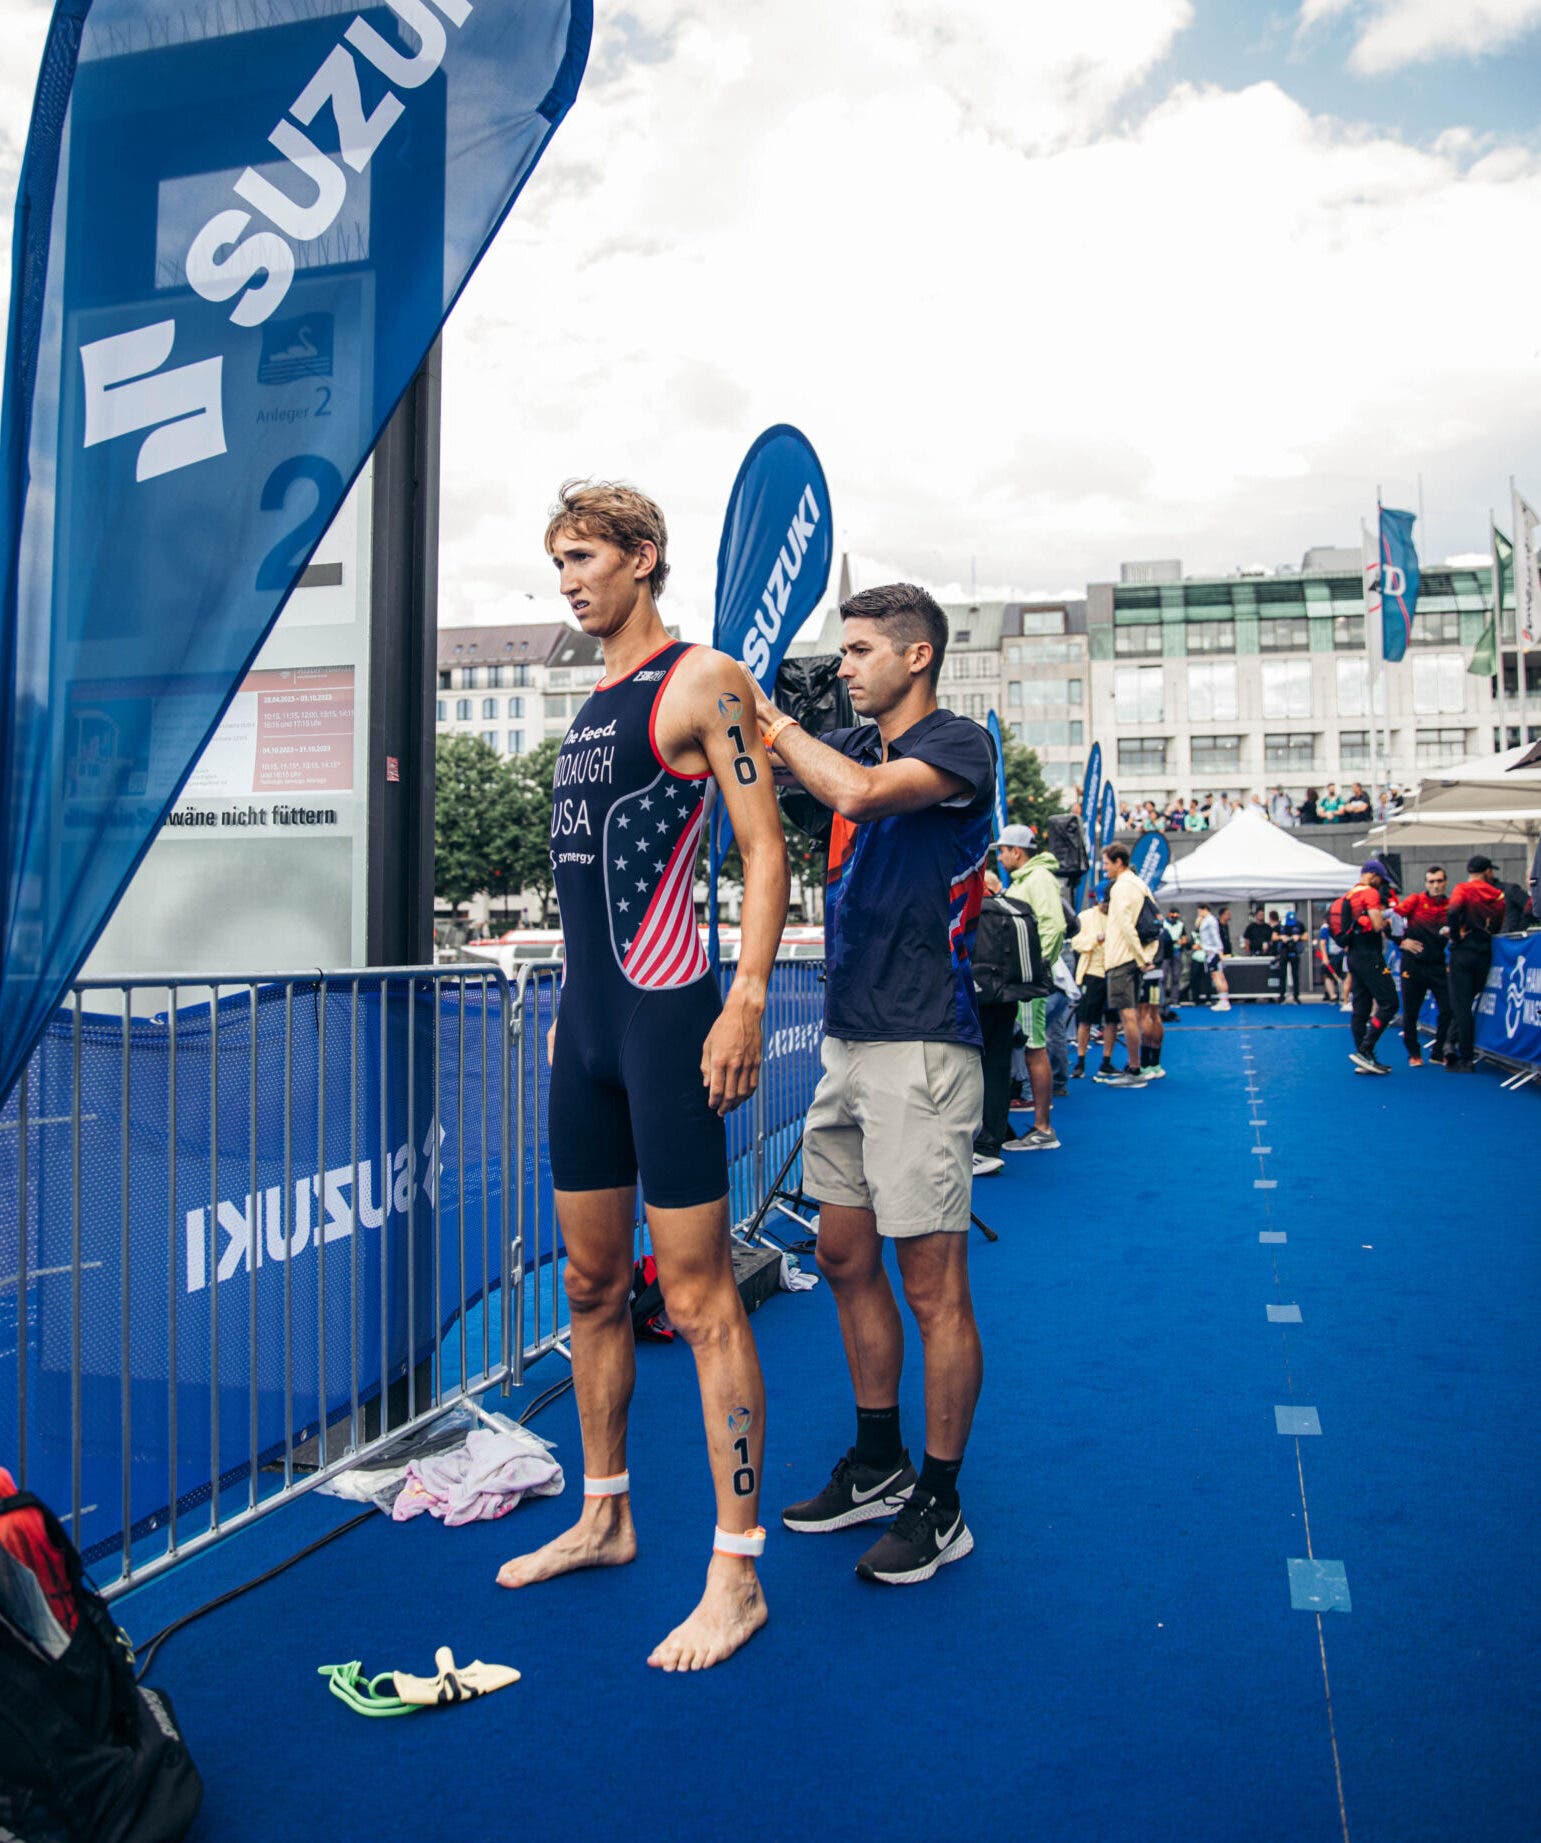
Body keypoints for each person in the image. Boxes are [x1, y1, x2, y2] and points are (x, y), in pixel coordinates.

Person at [500, 480, 789, 1673]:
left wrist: (748, 996)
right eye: (557, 560)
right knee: (586, 1282)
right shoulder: (593, 703)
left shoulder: (702, 680)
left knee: (701, 1292)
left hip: (671, 1022)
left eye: (584, 557)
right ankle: (603, 1510)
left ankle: (735, 1570)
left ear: (644, 558)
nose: (569, 580)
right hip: (584, 1033)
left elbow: (766, 842)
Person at [754, 582, 994, 1584]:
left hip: (923, 1044)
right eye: (839, 651)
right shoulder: (845, 748)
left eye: (857, 651)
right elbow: (766, 794)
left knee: (931, 1283)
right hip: (847, 1042)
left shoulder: (956, 744)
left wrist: (770, 720)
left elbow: (854, 796)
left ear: (915, 657)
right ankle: (878, 1462)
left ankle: (939, 1501)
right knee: (846, 1258)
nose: (842, 667)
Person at [992, 827, 1067, 1150]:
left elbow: (1054, 925)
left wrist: (1034, 968)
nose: (999, 856)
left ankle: (1043, 1128)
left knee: (1035, 1047)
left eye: (1002, 850)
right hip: (1021, 982)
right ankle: (1038, 1125)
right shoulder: (1027, 880)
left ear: (1017, 851)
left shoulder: (1038, 880)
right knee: (1029, 1046)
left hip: (1027, 983)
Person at [1100, 842, 1158, 1085]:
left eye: (1106, 864)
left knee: (1128, 1016)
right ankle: (1137, 1065)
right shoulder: (1139, 884)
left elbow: (1126, 925)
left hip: (1123, 959)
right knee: (1133, 1013)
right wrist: (1144, 956)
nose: (1104, 870)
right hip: (1132, 958)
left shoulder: (1122, 887)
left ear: (1118, 862)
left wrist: (1141, 957)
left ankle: (1134, 1069)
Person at [1444, 855, 1506, 1072]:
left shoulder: (1463, 889)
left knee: (1461, 1006)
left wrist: (1455, 935)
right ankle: (1450, 1045)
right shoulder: (1497, 894)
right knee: (1468, 1001)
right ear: (1487, 871)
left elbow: (1452, 911)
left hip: (1463, 951)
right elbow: (1498, 922)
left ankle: (1465, 1057)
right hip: (1484, 951)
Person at [1338, 862, 1397, 1075]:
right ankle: (1365, 1049)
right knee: (1390, 1002)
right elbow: (1376, 924)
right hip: (1370, 954)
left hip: (1353, 954)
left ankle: (1365, 1057)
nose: (1381, 885)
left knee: (1360, 1008)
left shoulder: (1349, 894)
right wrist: (1387, 919)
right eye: (1380, 879)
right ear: (1373, 875)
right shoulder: (1370, 893)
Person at [1392, 866, 1451, 1067]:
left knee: (1448, 1009)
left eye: (1439, 881)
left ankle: (1437, 1052)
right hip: (1413, 965)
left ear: (1445, 882)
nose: (1436, 885)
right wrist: (1400, 942)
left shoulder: (1451, 905)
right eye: (1432, 881)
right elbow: (1392, 917)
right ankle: (1413, 1053)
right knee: (1411, 1012)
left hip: (1437, 965)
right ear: (1426, 883)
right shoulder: (1415, 900)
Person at [1071, 884, 1116, 1077]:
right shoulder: (1086, 917)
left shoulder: (1118, 917)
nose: (1106, 905)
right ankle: (1080, 1061)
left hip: (1113, 971)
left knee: (1112, 1020)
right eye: (1103, 901)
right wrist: (1096, 939)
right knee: (1085, 1019)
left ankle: (1106, 1060)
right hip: (1092, 973)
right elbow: (1076, 943)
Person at [1195, 902, 1230, 1010]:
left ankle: (1224, 1001)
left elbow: (1215, 935)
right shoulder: (1206, 920)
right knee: (1218, 976)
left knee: (1218, 977)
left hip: (1213, 952)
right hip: (1211, 951)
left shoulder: (1210, 920)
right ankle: (1224, 1000)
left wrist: (1219, 950)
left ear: (1204, 909)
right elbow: (1197, 927)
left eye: (1199, 911)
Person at [1276, 908, 1306, 1002]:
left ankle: (1296, 995)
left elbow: (1306, 936)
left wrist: (1298, 937)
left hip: (1295, 951)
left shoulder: (1299, 925)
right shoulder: (1281, 925)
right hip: (1284, 951)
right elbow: (1273, 936)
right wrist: (1281, 937)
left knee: (1295, 974)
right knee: (1282, 974)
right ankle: (1281, 994)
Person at [1314, 916, 1344, 1004]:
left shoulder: (1343, 926)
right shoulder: (1326, 928)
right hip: (1330, 955)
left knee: (1342, 976)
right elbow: (1322, 943)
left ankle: (1343, 996)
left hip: (1341, 954)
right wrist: (1325, 957)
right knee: (1328, 975)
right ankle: (1332, 996)